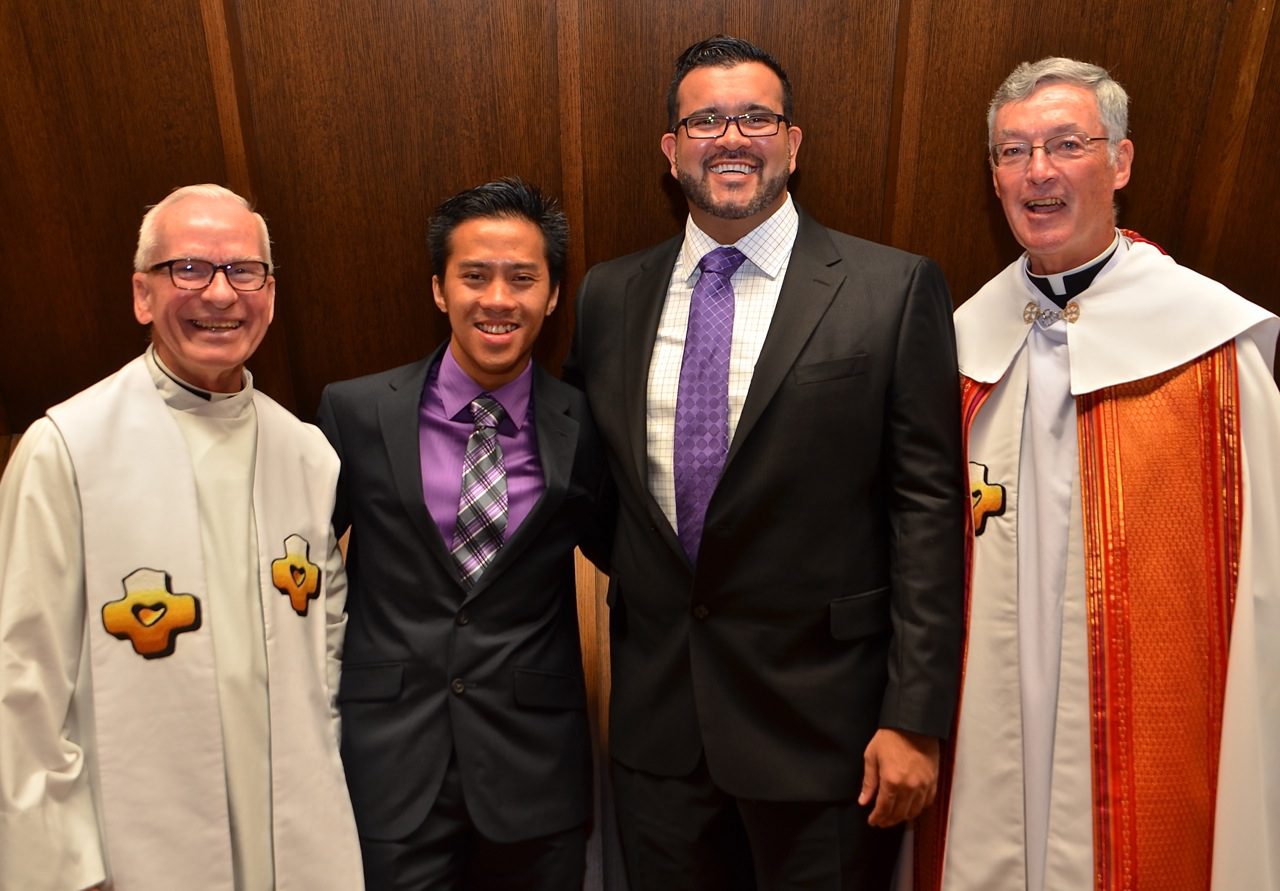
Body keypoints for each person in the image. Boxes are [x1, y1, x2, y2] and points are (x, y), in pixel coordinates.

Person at [563, 35, 966, 890]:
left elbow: (927, 516)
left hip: (828, 736)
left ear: (793, 140)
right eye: (705, 120)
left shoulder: (891, 290)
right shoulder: (608, 295)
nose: (731, 138)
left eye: (755, 117)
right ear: (671, 149)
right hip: (661, 737)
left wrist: (915, 717)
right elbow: (596, 493)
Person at [911, 58, 1280, 891]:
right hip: (990, 701)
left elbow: (1264, 582)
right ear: (995, 177)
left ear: (1120, 162)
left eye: (1066, 145)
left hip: (1153, 715)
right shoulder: (960, 343)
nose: (1037, 171)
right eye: (1013, 152)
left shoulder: (1212, 350)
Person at [0, 184, 363, 890]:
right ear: (142, 294)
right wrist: (61, 869)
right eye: (189, 269)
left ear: (270, 294)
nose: (220, 294)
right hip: (135, 844)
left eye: (244, 271)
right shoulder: (65, 450)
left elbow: (327, 648)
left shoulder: (305, 454)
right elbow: (22, 684)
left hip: (294, 826)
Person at [316, 178, 610, 891]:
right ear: (440, 290)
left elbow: (635, 560)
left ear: (553, 295)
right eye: (474, 276)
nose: (498, 299)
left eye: (522, 278)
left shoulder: (587, 425)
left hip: (535, 773)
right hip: (390, 768)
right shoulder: (355, 412)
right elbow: (301, 575)